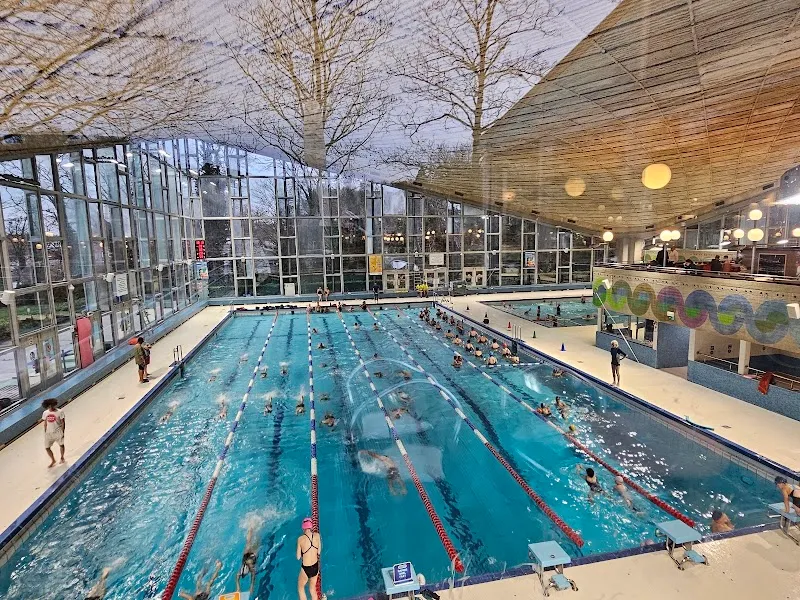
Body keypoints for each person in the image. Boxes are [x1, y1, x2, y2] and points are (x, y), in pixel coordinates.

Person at [296, 517, 322, 600]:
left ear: (303, 528)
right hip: (315, 567)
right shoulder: (317, 536)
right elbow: (319, 552)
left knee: (301, 588)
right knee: (312, 589)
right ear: (311, 527)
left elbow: (298, 557)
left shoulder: (300, 539)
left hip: (306, 568)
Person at [236, 525, 261, 594]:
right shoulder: (250, 569)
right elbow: (252, 576)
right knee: (255, 542)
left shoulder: (248, 569)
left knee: (249, 543)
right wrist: (251, 586)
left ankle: (251, 528)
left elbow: (237, 576)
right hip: (252, 557)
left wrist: (238, 587)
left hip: (248, 556)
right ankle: (256, 529)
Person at [42, 398, 65, 468]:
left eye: (52, 405)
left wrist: (63, 431)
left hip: (57, 431)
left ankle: (62, 457)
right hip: (49, 433)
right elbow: (45, 422)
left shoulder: (60, 412)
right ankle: (53, 460)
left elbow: (63, 422)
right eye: (49, 406)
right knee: (47, 447)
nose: (51, 407)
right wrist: (45, 431)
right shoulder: (45, 413)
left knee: (61, 445)